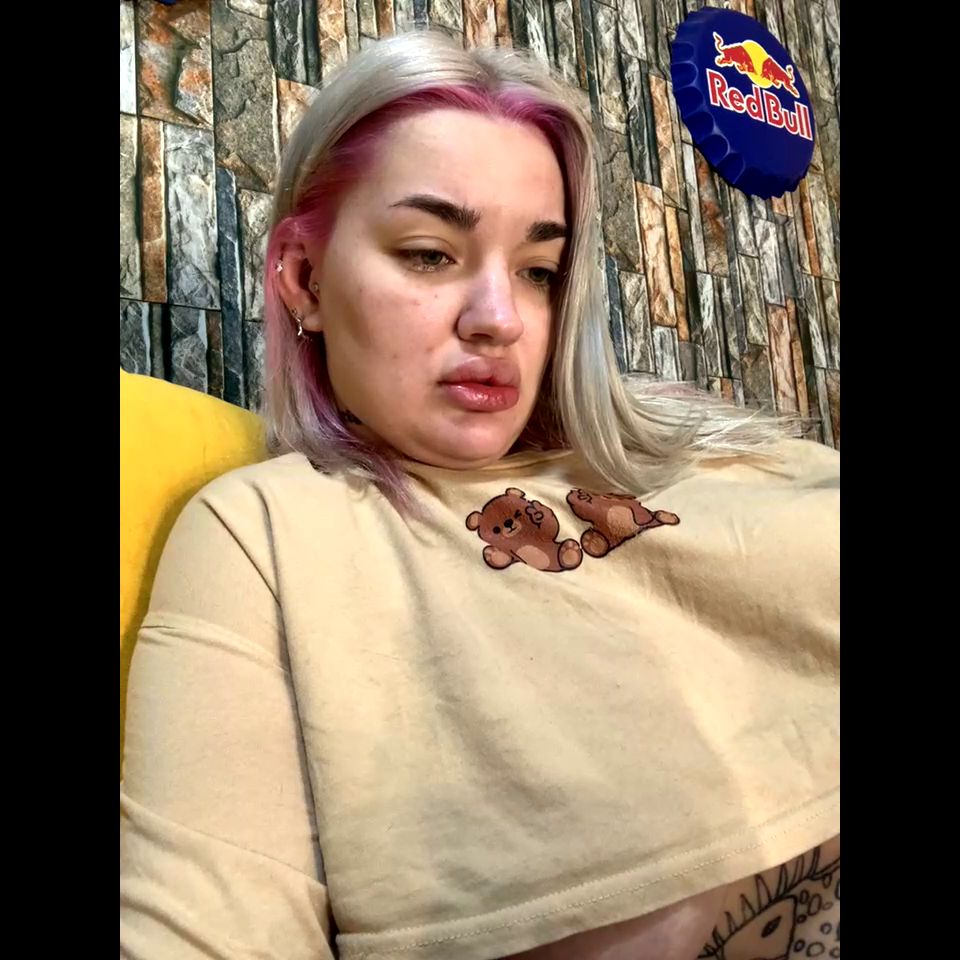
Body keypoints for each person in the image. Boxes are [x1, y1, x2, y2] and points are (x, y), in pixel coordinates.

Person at [120, 29, 839, 960]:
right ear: (303, 279)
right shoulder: (268, 531)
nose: (501, 319)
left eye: (539, 272)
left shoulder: (717, 457)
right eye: (429, 253)